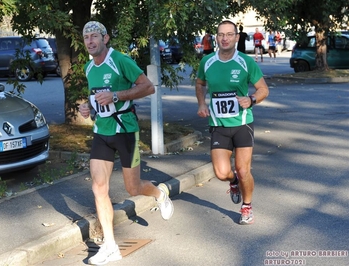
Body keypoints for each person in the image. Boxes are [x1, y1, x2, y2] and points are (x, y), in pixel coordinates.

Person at [79, 21, 174, 265]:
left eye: (94, 36)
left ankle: (160, 194)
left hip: (126, 131)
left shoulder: (120, 60)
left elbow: (148, 87)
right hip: (102, 132)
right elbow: (96, 99)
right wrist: (88, 107)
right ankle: (110, 246)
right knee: (99, 188)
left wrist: (116, 95)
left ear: (105, 38)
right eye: (86, 37)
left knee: (133, 188)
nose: (90, 41)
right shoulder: (89, 68)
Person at [195, 20, 269, 225]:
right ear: (216, 38)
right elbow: (200, 83)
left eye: (229, 34)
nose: (225, 38)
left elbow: (263, 89)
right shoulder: (207, 62)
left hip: (243, 123)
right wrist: (202, 103)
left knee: (244, 169)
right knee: (221, 173)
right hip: (219, 125)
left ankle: (247, 206)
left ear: (237, 37)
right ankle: (234, 182)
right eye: (221, 34)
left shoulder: (246, 62)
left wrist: (251, 99)